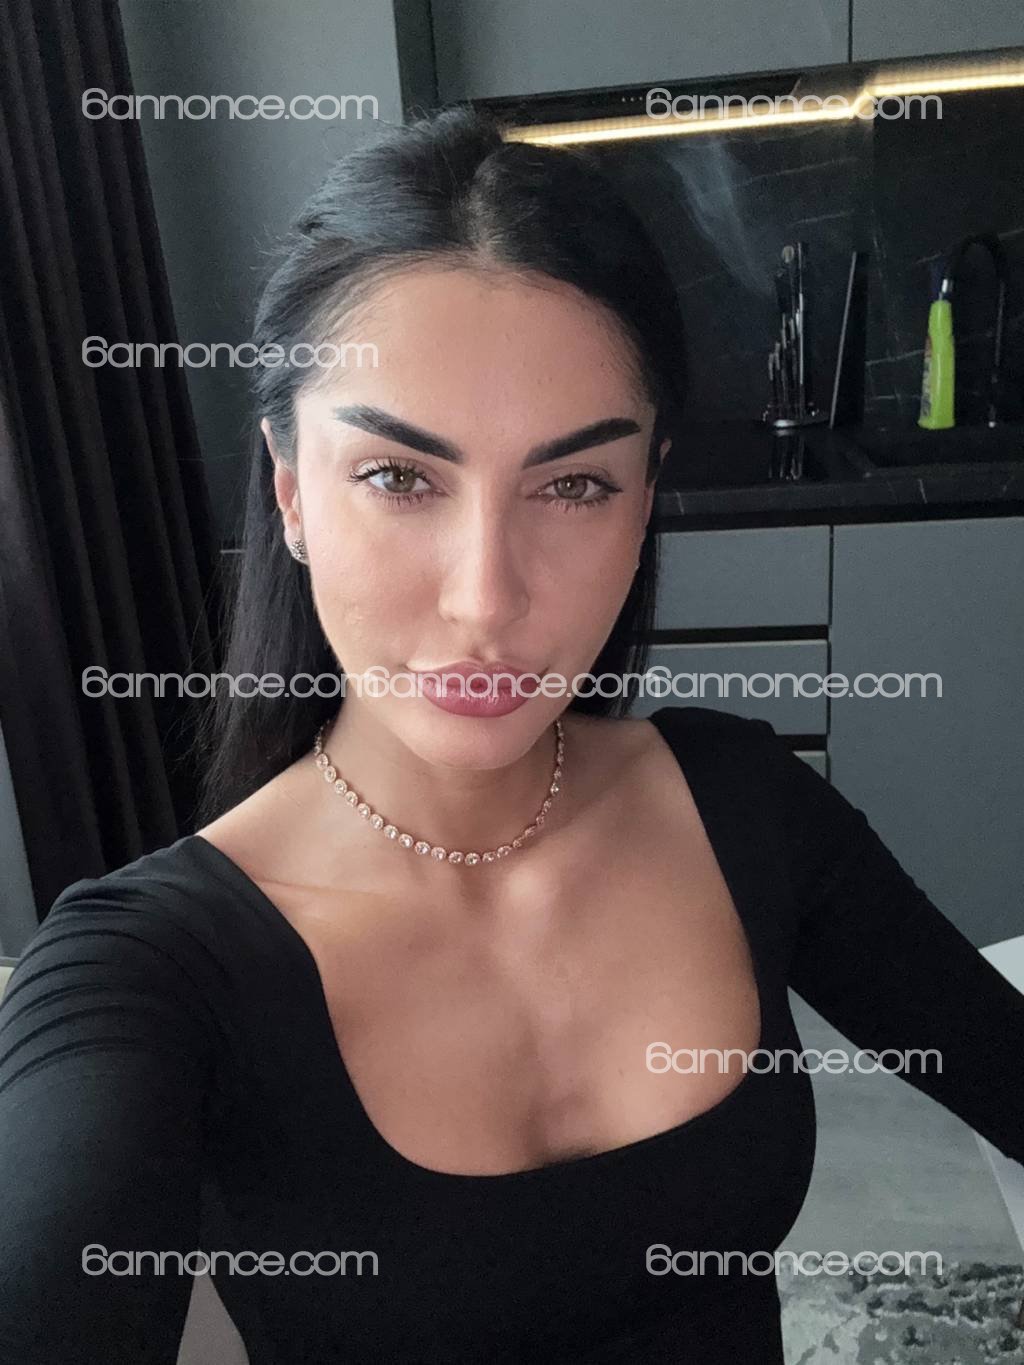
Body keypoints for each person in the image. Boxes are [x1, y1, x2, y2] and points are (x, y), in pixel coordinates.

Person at [1, 105, 1022, 1365]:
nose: (486, 599)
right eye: (398, 477)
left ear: (644, 499)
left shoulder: (742, 806)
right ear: (291, 490)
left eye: (574, 484)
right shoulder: (147, 969)